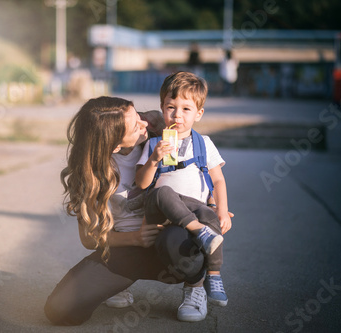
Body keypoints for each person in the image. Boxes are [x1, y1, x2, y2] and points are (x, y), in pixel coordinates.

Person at [44, 96, 232, 325]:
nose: (144, 124)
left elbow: (200, 171)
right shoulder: (92, 173)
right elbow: (89, 239)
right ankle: (117, 285)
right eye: (135, 126)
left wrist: (213, 206)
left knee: (176, 242)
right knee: (60, 311)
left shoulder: (158, 135)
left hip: (172, 242)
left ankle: (195, 285)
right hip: (129, 248)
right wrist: (135, 238)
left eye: (139, 117)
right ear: (114, 145)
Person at [135, 72, 232, 316]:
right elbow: (143, 183)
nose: (177, 115)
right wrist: (155, 159)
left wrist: (221, 211)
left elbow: (218, 181)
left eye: (186, 109)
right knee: (163, 191)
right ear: (162, 108)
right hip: (163, 210)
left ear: (198, 113)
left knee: (208, 218)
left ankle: (209, 278)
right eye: (171, 107)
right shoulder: (153, 144)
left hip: (195, 209)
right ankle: (199, 233)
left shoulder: (204, 143)